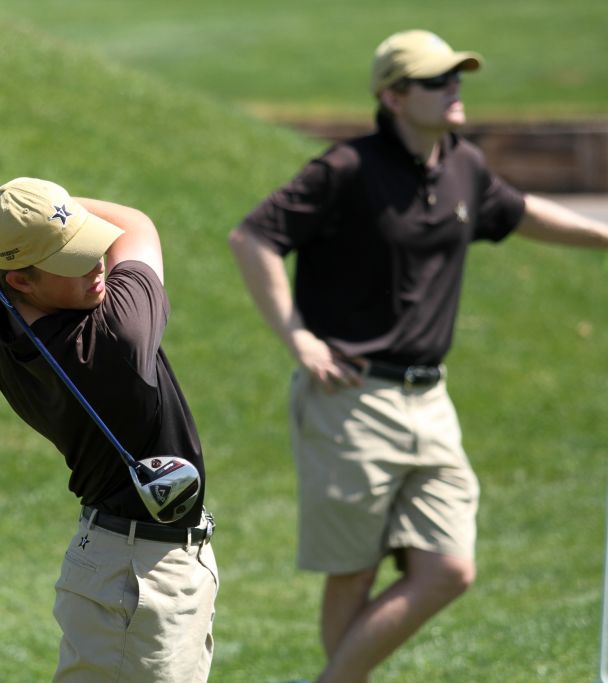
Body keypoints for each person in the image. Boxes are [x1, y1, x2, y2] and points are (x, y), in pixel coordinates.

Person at [227, 29, 608, 683]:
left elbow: (520, 213)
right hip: (350, 396)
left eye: (457, 76)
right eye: (437, 81)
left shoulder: (464, 165)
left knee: (450, 568)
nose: (454, 88)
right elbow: (253, 236)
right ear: (394, 96)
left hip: (431, 400)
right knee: (355, 569)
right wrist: (298, 336)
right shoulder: (344, 169)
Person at [0, 171, 219, 682]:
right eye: (71, 261)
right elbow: (135, 223)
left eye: (88, 246)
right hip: (141, 579)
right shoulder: (118, 332)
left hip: (118, 566)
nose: (96, 267)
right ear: (23, 279)